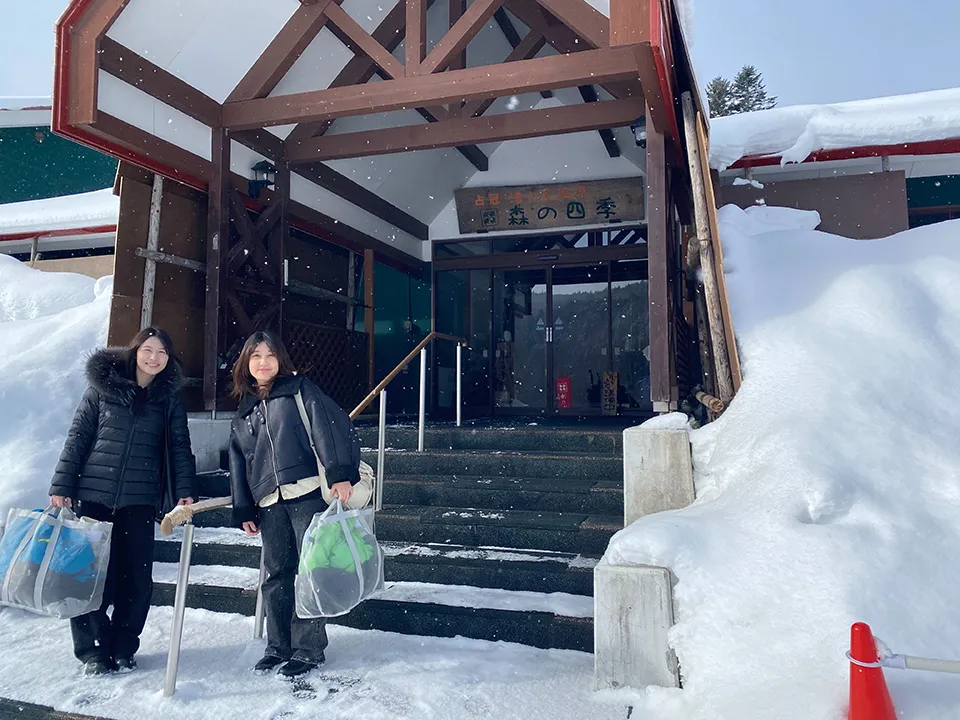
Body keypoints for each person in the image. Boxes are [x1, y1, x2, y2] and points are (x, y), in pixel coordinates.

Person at [49, 327, 196, 676]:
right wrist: (62, 483)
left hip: (139, 500)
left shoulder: (169, 398)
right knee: (87, 576)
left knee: (137, 579)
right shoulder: (102, 389)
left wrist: (185, 490)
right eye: (148, 350)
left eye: (162, 352)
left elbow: (180, 446)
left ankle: (124, 645)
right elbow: (78, 437)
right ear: (134, 351)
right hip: (94, 497)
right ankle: (92, 650)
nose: (154, 358)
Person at [228, 331, 361, 680]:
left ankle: (309, 648)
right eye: (255, 356)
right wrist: (244, 507)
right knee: (276, 576)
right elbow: (240, 462)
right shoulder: (244, 410)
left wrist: (338, 473)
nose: (263, 362)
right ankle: (278, 646)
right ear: (246, 363)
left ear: (280, 359)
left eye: (270, 355)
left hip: (305, 494)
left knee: (310, 572)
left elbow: (327, 429)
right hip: (269, 501)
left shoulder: (299, 390)